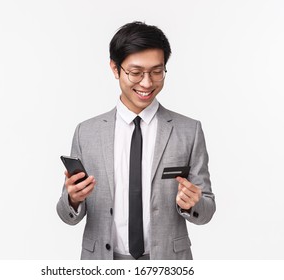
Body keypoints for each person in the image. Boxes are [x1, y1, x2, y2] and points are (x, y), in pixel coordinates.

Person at [56, 21, 215, 260]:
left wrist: (193, 203)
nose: (147, 83)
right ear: (115, 68)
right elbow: (67, 214)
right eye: (136, 72)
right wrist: (73, 199)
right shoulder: (86, 133)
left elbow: (207, 209)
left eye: (156, 71)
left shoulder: (188, 131)